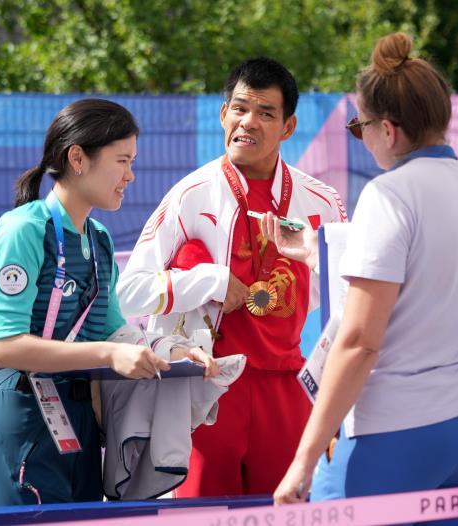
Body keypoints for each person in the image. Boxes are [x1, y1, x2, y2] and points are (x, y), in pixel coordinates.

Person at [272, 33, 458, 510]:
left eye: (361, 127)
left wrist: (304, 458)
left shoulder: (389, 195)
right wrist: (318, 253)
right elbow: (423, 285)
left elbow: (360, 342)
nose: (363, 138)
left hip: (394, 430)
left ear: (389, 130)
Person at [117, 57, 346, 497]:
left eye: (265, 113)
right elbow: (130, 292)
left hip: (287, 387)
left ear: (288, 127)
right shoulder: (189, 196)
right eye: (240, 108)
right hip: (210, 388)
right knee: (205, 517)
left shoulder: (323, 202)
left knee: (289, 515)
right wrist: (210, 281)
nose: (248, 122)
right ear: (223, 114)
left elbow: (345, 295)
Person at [0, 98, 216, 506]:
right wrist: (108, 354)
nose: (130, 175)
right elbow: (4, 347)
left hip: (78, 417)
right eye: (122, 161)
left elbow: (115, 331)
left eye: (131, 162)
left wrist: (173, 351)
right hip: (22, 409)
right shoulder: (23, 231)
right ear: (78, 158)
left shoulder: (98, 239)